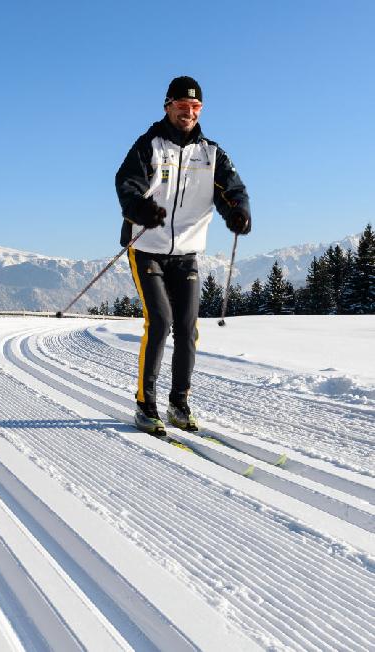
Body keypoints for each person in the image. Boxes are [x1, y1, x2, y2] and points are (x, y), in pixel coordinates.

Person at [115, 76, 251, 434]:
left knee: (187, 328)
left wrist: (237, 211)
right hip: (147, 249)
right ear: (168, 106)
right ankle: (146, 405)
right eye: (182, 106)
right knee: (159, 321)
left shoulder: (211, 153)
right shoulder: (149, 145)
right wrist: (139, 210)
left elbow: (232, 189)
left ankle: (179, 402)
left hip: (188, 252)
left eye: (195, 107)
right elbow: (127, 183)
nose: (188, 112)